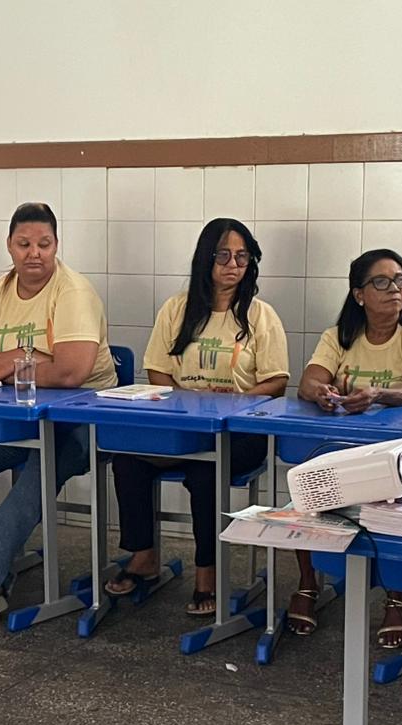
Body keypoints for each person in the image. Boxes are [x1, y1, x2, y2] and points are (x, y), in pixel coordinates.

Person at [0, 202, 117, 627]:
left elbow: (71, 373)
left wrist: (1, 367)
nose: (35, 253)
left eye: (44, 244)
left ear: (56, 245)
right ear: (9, 246)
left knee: (40, 465)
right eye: (24, 244)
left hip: (82, 423)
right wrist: (25, 358)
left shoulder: (73, 291)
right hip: (16, 420)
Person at [105, 219, 288, 616]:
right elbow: (157, 370)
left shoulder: (260, 315)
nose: (233, 265)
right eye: (223, 255)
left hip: (240, 431)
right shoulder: (177, 308)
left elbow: (277, 381)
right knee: (128, 459)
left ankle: (207, 572)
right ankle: (143, 555)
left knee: (206, 471)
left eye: (242, 257)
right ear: (205, 258)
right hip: (185, 427)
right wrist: (189, 401)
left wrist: (235, 402)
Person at [296, 248, 402, 647]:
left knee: (396, 505)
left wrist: (378, 394)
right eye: (382, 281)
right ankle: (308, 583)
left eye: (401, 280)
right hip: (346, 449)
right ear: (359, 294)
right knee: (307, 487)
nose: (395, 289)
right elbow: (307, 382)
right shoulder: (338, 336)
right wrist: (321, 393)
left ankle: (398, 595)